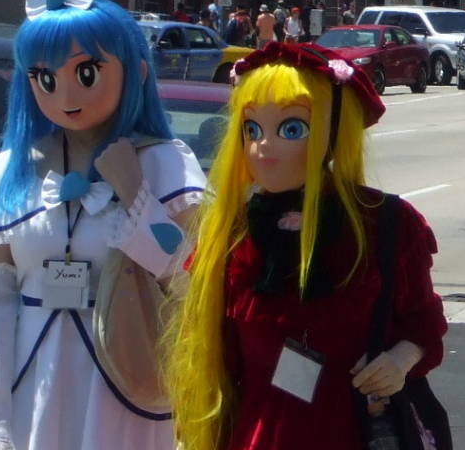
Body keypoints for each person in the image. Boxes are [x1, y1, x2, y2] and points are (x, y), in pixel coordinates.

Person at [0, 0, 206, 449]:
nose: (64, 94)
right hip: (31, 387)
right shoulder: (6, 174)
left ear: (137, 72)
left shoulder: (165, 165)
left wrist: (135, 193)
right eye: (44, 77)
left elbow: (188, 278)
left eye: (86, 72)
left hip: (126, 377)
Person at [165, 42, 447, 450]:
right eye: (252, 129)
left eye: (291, 128)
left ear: (334, 133)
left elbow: (424, 322)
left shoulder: (386, 224)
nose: (264, 146)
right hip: (257, 434)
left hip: (353, 430)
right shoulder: (234, 230)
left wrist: (399, 361)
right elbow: (209, 350)